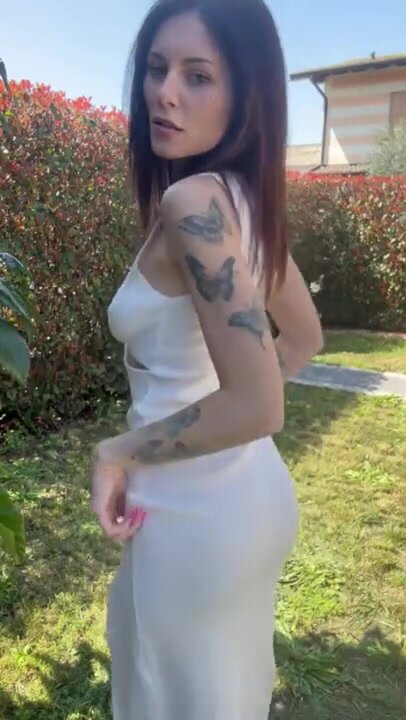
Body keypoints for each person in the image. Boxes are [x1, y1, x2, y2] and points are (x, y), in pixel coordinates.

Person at [91, 0, 323, 718]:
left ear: (244, 95)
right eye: (157, 68)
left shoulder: (194, 202)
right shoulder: (243, 202)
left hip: (188, 516)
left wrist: (117, 451)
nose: (164, 92)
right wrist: (231, 415)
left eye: (198, 76)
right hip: (248, 497)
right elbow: (304, 338)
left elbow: (257, 404)